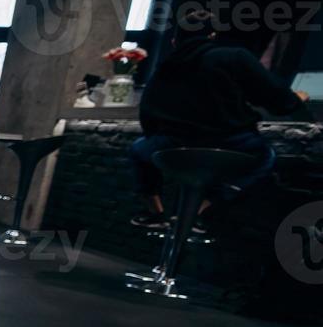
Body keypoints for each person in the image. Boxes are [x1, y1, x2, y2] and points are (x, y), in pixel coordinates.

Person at [129, 21, 309, 232]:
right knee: (265, 156)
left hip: (171, 147)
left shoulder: (166, 65)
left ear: (174, 41)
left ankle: (155, 212)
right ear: (213, 36)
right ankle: (199, 211)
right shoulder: (234, 56)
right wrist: (296, 99)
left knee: (138, 149)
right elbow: (279, 102)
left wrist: (159, 135)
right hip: (227, 145)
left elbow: (147, 113)